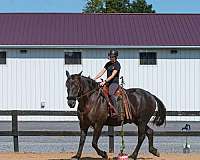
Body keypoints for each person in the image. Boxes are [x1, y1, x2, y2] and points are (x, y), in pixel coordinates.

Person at [94, 49, 121, 116]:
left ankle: (115, 110)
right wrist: (94, 78)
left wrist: (104, 82)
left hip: (114, 83)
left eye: (112, 57)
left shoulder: (117, 64)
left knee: (111, 93)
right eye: (110, 56)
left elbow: (112, 75)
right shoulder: (108, 64)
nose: (110, 58)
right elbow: (101, 72)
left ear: (115, 57)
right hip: (107, 83)